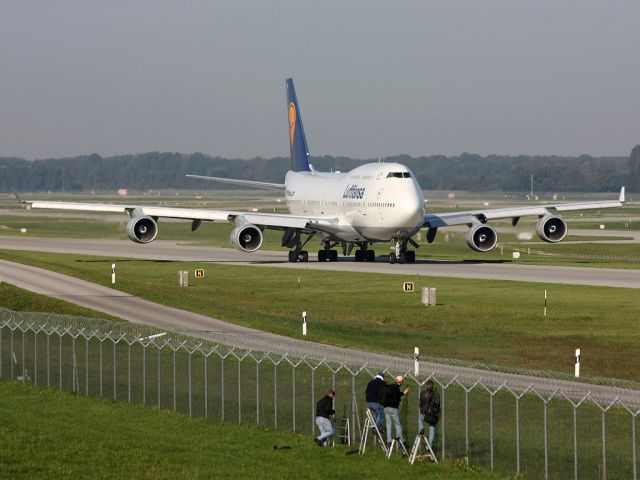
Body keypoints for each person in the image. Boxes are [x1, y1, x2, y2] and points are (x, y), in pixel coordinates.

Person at [382, 375, 409, 446]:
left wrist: (403, 393)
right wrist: (404, 393)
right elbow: (396, 396)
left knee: (388, 425)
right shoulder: (396, 388)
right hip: (393, 408)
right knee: (397, 424)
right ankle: (401, 440)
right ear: (400, 382)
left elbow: (394, 394)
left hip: (386, 408)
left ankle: (389, 441)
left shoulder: (389, 386)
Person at [419, 379, 441, 448]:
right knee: (432, 428)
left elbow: (420, 404)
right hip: (433, 416)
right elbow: (438, 405)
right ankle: (429, 445)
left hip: (425, 414)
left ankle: (421, 429)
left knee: (420, 418)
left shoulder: (423, 393)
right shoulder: (436, 394)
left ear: (426, 385)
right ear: (433, 386)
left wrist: (422, 410)